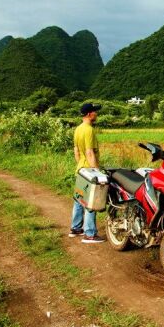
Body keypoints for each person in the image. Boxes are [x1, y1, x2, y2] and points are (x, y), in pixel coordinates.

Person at [69, 103, 105, 243]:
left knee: (79, 199)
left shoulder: (78, 129)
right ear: (90, 114)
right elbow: (90, 152)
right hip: (89, 170)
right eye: (95, 111)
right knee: (91, 201)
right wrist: (96, 172)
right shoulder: (89, 130)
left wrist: (81, 166)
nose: (97, 114)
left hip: (81, 168)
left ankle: (76, 228)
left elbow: (76, 151)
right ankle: (90, 234)